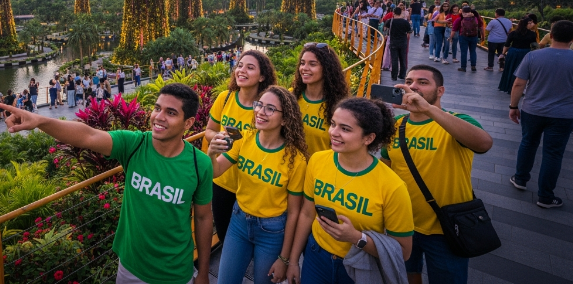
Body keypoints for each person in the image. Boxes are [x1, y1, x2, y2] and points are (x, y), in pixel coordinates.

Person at [0, 83, 214, 284]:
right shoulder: (135, 145)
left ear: (188, 123)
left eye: (171, 112)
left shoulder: (199, 164)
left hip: (175, 273)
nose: (159, 117)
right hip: (130, 268)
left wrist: (203, 273)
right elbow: (88, 136)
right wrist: (40, 121)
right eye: (157, 108)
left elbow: (204, 217)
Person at [381, 65, 493, 284]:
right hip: (403, 225)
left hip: (447, 229)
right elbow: (386, 173)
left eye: (423, 82)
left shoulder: (457, 121)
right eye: (409, 81)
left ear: (440, 91)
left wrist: (428, 110)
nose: (413, 87)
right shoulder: (396, 126)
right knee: (406, 276)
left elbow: (483, 144)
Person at [287, 98, 414, 284]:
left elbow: (403, 251)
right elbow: (307, 214)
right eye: (332, 124)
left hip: (358, 265)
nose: (333, 133)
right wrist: (293, 261)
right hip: (315, 257)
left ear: (368, 138)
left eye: (345, 129)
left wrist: (357, 238)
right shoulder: (317, 161)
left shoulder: (393, 186)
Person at [208, 86, 307, 284]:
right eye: (259, 105)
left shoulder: (296, 160)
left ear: (285, 119)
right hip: (238, 222)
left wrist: (284, 259)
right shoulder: (244, 137)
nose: (260, 112)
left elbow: (294, 213)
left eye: (270, 108)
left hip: (272, 231)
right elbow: (216, 171)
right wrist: (211, 154)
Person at [202, 50, 277, 243]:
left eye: (250, 67)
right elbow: (209, 131)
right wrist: (217, 137)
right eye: (240, 66)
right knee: (225, 234)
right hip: (222, 181)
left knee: (252, 238)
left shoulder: (265, 108)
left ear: (262, 76)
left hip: (251, 184)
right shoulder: (225, 98)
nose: (242, 70)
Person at [509, 21, 573, 208]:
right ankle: (545, 196)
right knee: (553, 154)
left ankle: (520, 179)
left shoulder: (533, 56)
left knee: (528, 143)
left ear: (550, 35)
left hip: (532, 110)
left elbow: (519, 84)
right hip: (564, 115)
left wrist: (513, 106)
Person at [292, 43, 349, 157]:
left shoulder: (338, 107)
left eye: (312, 64)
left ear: (326, 69)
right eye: (302, 63)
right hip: (290, 167)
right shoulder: (291, 96)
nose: (304, 68)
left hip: (319, 171)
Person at [498, 16, 538, 93]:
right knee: (522, 71)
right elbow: (534, 46)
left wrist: (503, 54)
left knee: (510, 69)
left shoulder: (513, 33)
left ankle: (507, 86)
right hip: (525, 53)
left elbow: (507, 45)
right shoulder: (532, 34)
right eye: (530, 23)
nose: (532, 24)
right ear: (526, 24)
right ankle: (518, 88)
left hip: (513, 53)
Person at [450, 6, 481, 72]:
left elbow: (454, 29)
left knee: (464, 52)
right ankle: (473, 66)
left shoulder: (460, 18)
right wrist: (483, 36)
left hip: (463, 36)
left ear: (462, 11)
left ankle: (463, 67)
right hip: (474, 36)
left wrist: (450, 37)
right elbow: (481, 27)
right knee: (473, 51)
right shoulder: (476, 17)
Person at [389, 7, 413, 80]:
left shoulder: (390, 21)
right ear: (401, 13)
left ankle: (394, 76)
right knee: (403, 59)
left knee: (394, 60)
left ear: (394, 13)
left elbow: (385, 28)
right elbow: (409, 30)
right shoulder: (405, 22)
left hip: (393, 42)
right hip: (403, 42)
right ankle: (402, 75)